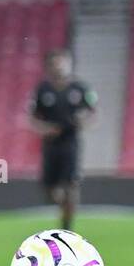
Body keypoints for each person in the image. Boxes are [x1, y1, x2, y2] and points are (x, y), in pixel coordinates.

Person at [29, 48, 96, 230]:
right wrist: (45, 129)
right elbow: (33, 117)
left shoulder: (80, 88)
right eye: (55, 63)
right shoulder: (42, 90)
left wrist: (84, 122)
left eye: (62, 62)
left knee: (71, 185)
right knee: (49, 190)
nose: (59, 67)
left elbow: (92, 111)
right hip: (51, 144)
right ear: (49, 66)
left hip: (70, 142)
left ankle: (67, 226)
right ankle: (63, 207)